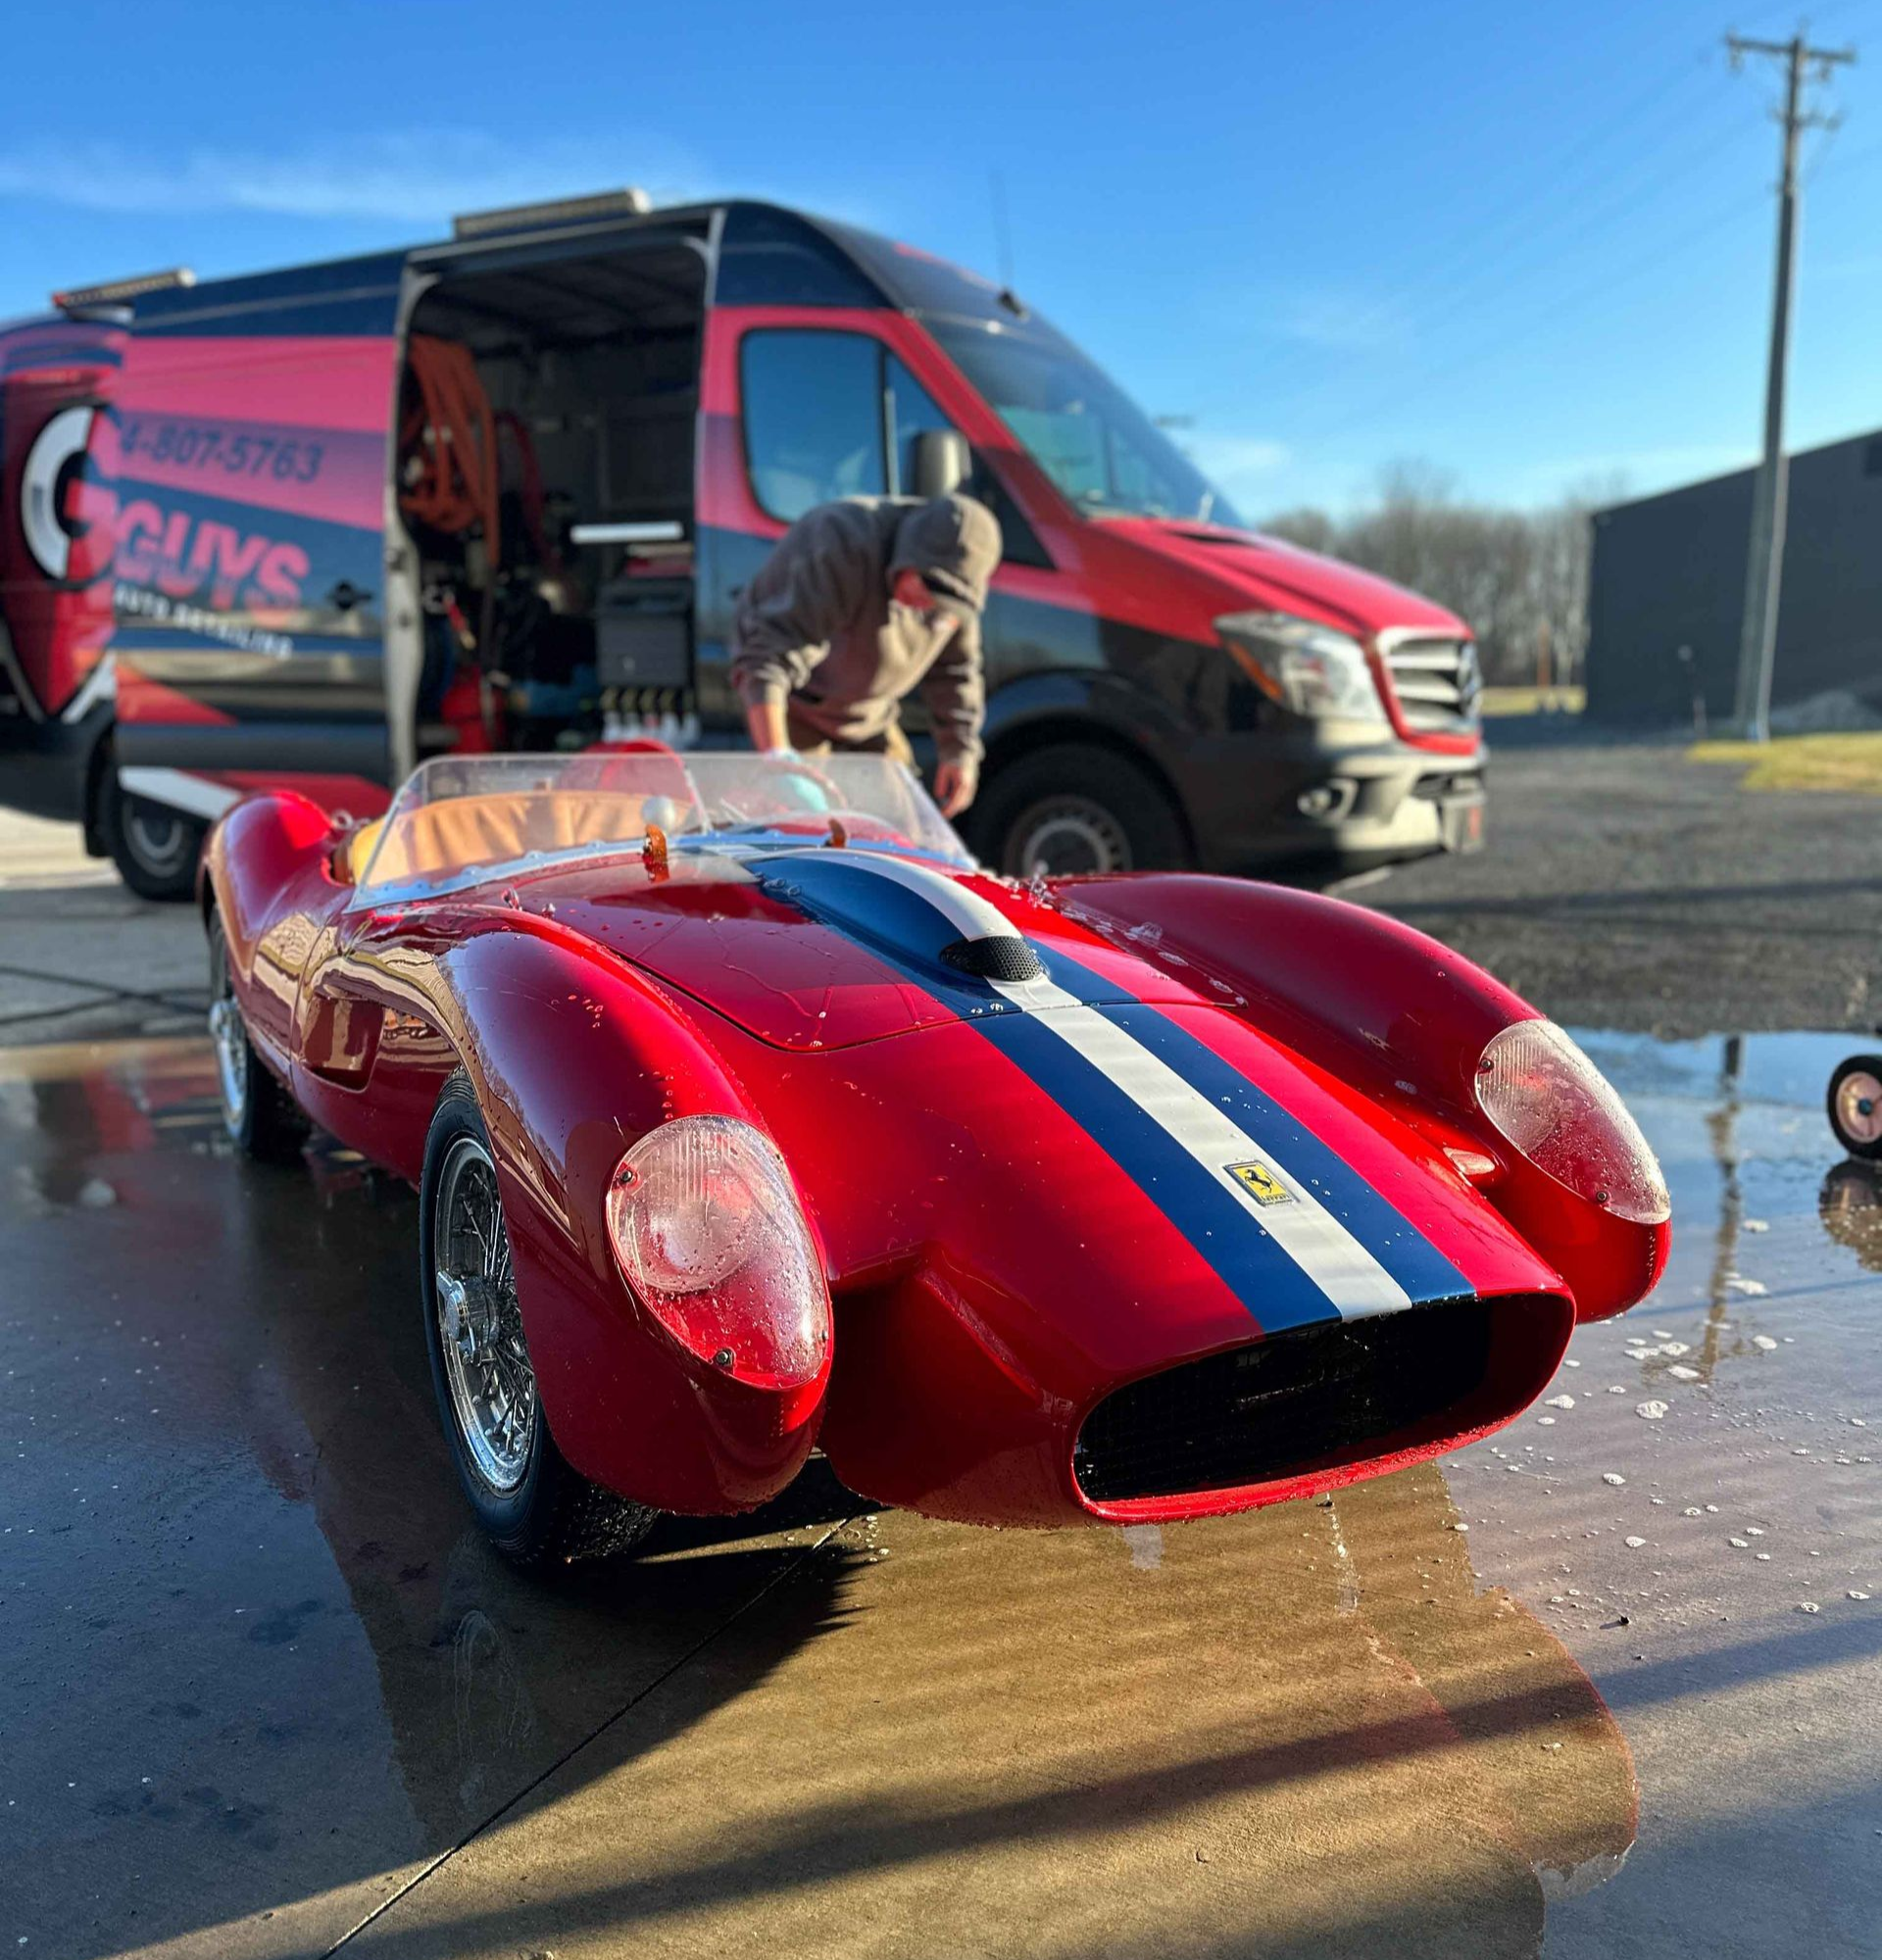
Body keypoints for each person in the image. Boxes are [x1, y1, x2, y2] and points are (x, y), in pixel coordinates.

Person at [730, 493, 1002, 818]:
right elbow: (768, 654)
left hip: (871, 716)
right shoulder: (839, 540)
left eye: (941, 603)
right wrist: (778, 757)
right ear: (909, 555)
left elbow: (955, 672)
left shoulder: (953, 600)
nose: (927, 605)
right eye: (926, 587)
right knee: (805, 831)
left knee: (903, 832)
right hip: (797, 709)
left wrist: (959, 753)